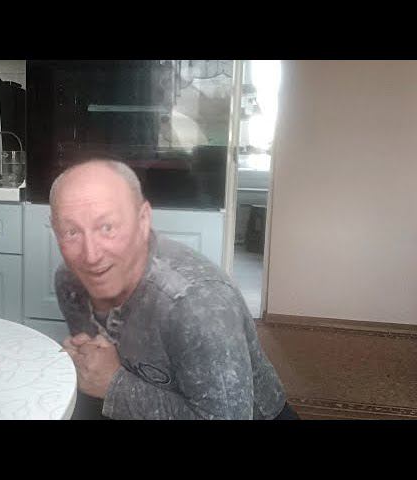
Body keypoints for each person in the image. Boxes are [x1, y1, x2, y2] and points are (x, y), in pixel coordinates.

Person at [50, 158, 299, 420]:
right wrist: (89, 363)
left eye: (107, 227)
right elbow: (96, 365)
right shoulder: (70, 282)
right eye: (71, 232)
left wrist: (115, 386)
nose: (91, 256)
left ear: (143, 220)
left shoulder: (197, 305)